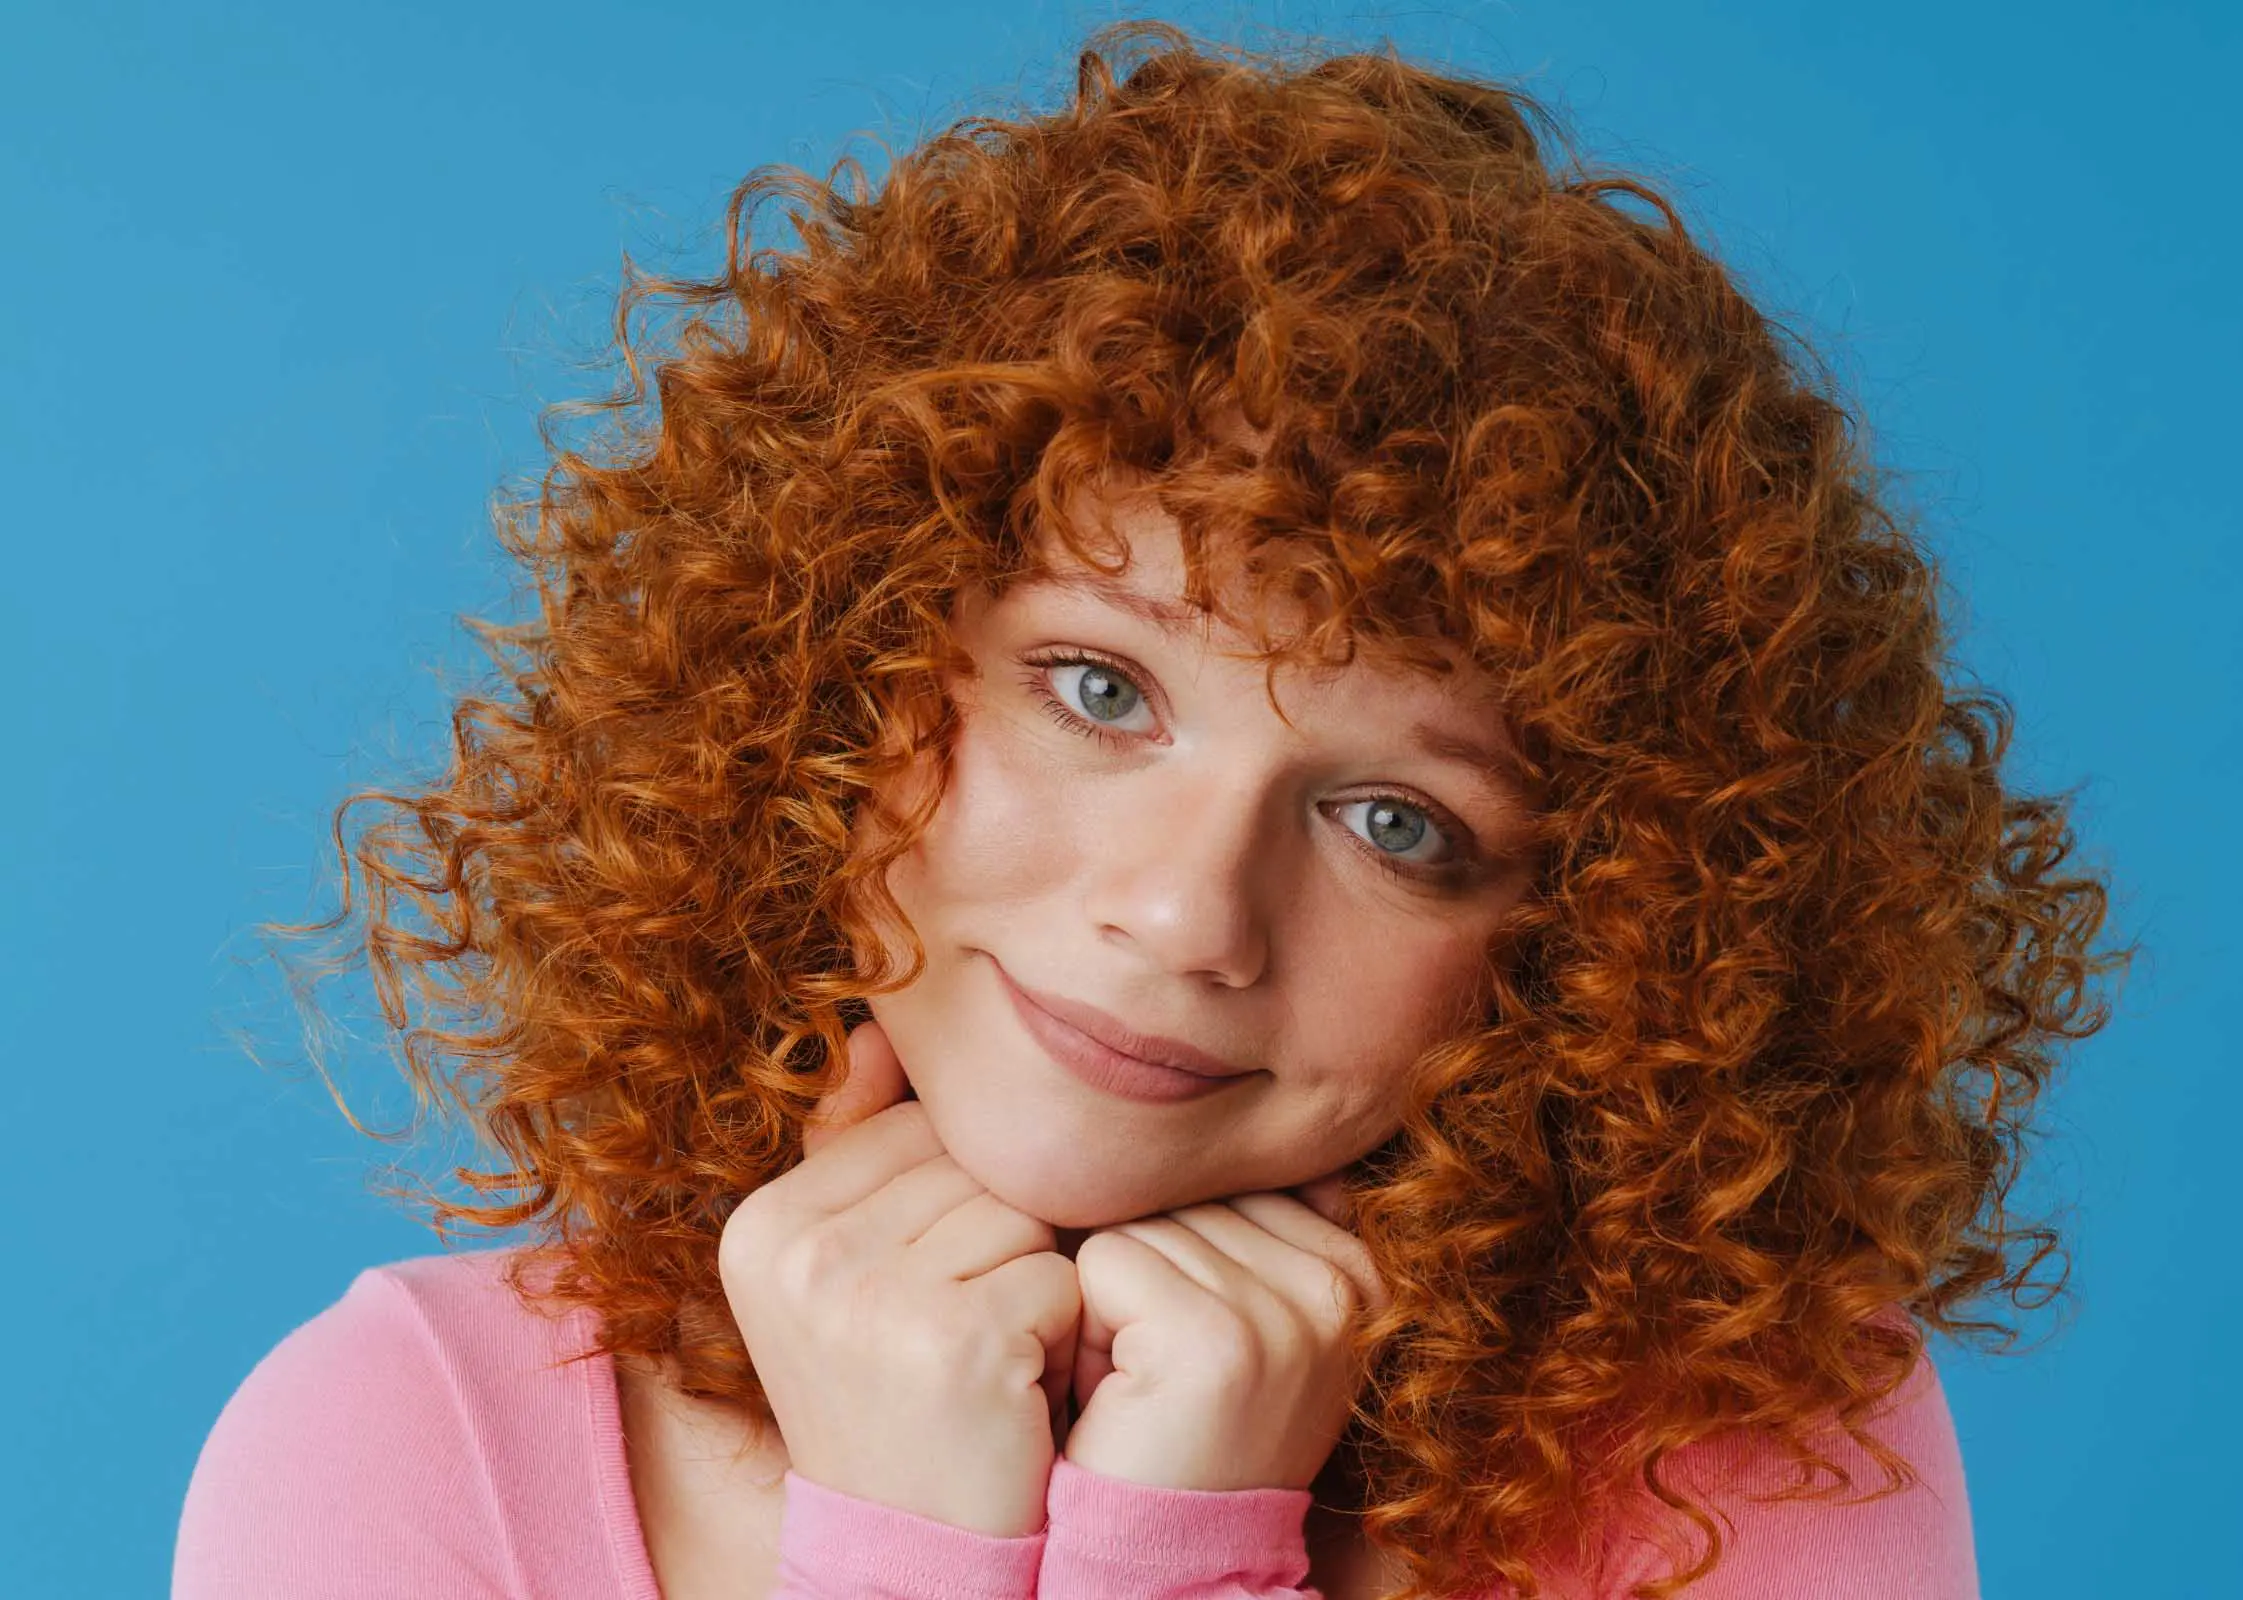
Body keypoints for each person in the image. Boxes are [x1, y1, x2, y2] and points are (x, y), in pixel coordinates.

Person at [171, 21, 2126, 1600]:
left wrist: (1171, 1551)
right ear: (842, 667)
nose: (1193, 913)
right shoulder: (407, 1442)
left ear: (1599, 943)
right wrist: (919, 1538)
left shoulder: (1736, 1452)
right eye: (1100, 691)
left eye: (1396, 822)